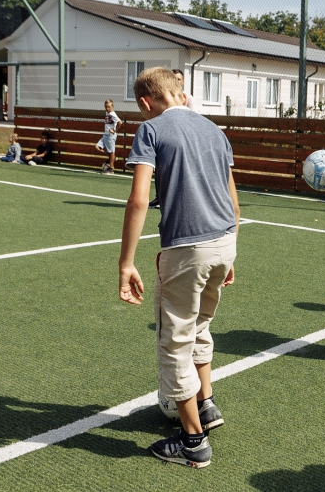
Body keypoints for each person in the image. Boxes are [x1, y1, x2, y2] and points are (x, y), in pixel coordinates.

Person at [119, 67, 239, 468]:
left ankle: (193, 442)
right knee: (200, 326)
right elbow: (232, 199)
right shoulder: (216, 131)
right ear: (181, 94)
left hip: (187, 249)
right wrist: (229, 254)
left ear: (145, 103)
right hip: (225, 241)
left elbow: (139, 200)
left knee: (174, 343)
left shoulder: (150, 130)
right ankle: (206, 404)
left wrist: (126, 263)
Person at [95, 99, 123, 174]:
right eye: (106, 107)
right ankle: (113, 158)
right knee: (97, 147)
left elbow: (120, 122)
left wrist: (114, 130)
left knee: (111, 152)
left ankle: (111, 169)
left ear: (112, 106)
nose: (107, 109)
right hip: (105, 135)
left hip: (110, 136)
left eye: (109, 107)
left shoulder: (113, 114)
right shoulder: (107, 113)